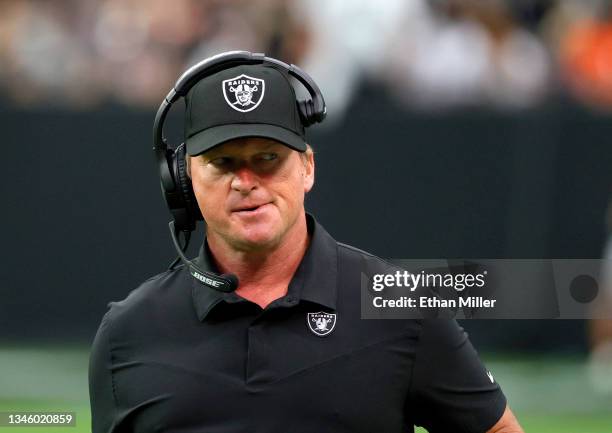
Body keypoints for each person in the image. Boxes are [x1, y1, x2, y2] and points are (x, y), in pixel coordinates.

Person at [89, 52, 524, 433]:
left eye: (267, 159)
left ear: (307, 168)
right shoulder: (128, 334)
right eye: (223, 163)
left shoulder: (402, 310)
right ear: (184, 182)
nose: (246, 182)